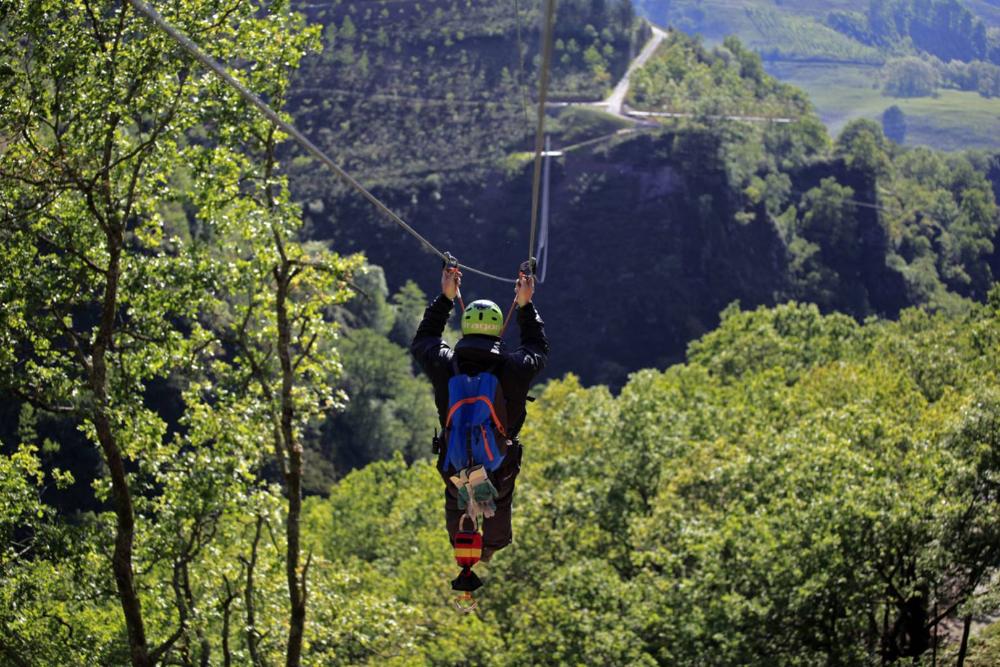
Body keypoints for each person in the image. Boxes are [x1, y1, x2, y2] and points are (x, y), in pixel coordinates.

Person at [411, 266, 549, 561]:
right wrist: (525, 305)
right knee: (501, 493)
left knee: (455, 493)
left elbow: (424, 341)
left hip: (455, 457)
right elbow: (537, 347)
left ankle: (461, 543)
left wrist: (446, 299)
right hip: (499, 458)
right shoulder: (515, 367)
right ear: (499, 328)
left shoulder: (445, 364)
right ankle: (492, 545)